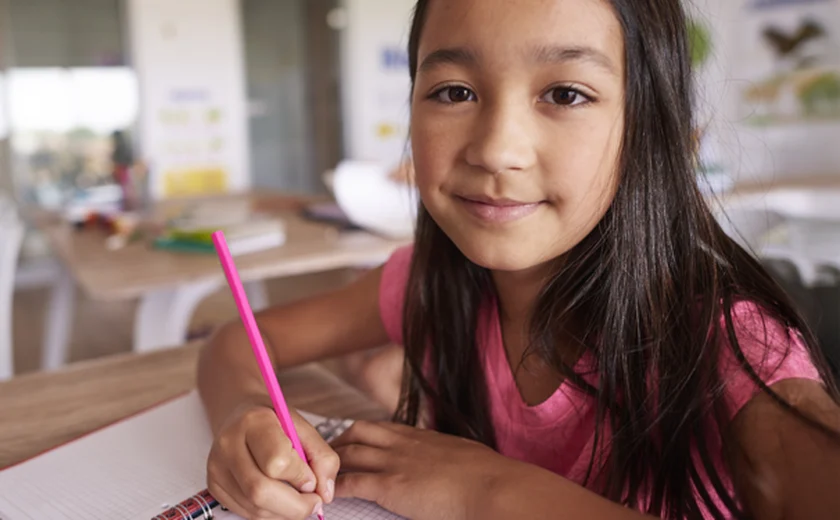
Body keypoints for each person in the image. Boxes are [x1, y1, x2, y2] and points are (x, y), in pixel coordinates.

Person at [196, 0, 840, 518]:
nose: (496, 149)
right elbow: (235, 341)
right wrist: (242, 413)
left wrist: (492, 493)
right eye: (452, 92)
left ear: (647, 124)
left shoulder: (732, 353)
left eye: (565, 94)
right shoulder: (433, 283)